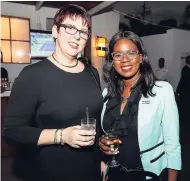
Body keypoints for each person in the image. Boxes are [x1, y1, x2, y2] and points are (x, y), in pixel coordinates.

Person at [3, 4, 103, 181]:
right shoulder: (33, 75)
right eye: (70, 28)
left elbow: (96, 120)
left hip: (91, 167)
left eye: (83, 31)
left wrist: (102, 160)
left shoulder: (92, 72)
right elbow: (12, 131)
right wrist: (62, 136)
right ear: (55, 31)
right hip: (53, 170)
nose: (77, 37)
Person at [99, 31, 181, 181]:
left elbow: (172, 144)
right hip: (114, 175)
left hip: (147, 175)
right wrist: (102, 145)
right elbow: (104, 132)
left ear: (141, 57)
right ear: (112, 61)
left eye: (131, 53)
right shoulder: (107, 94)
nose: (125, 60)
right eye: (118, 55)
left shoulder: (162, 90)